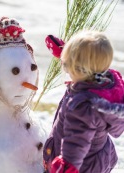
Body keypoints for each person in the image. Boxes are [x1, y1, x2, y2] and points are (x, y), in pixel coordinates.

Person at [43, 30, 124, 173]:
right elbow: (92, 60)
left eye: (67, 64)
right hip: (97, 158)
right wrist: (69, 54)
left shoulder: (83, 107)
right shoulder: (102, 84)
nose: (66, 68)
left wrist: (67, 166)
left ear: (79, 69)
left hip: (80, 165)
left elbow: (76, 141)